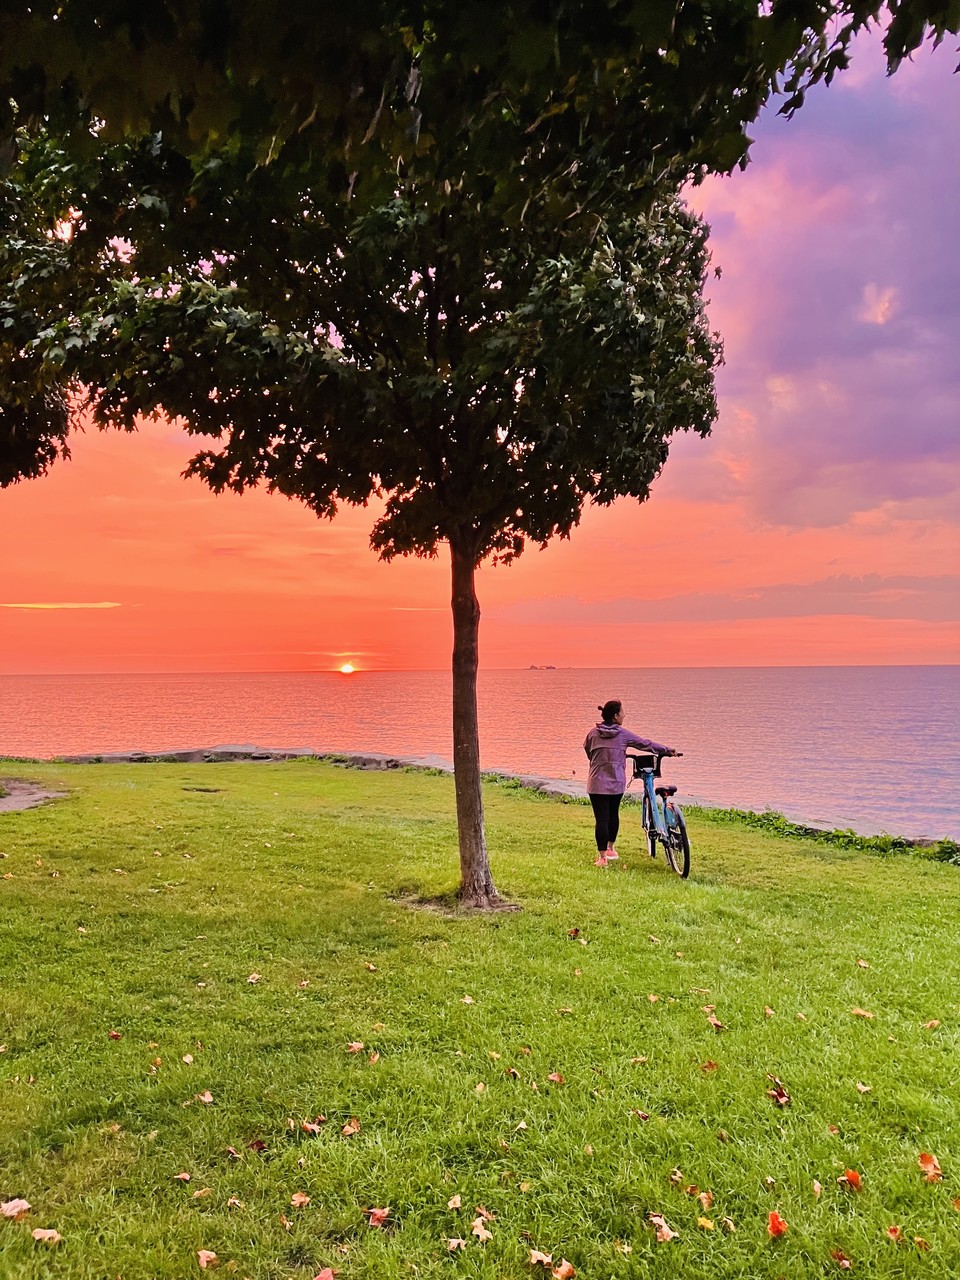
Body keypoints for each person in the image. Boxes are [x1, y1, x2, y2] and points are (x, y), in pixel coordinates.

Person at [584, 700, 676, 867]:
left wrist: (600, 761)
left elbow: (588, 750)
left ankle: (602, 858)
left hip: (596, 782)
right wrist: (667, 750)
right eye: (622, 712)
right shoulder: (623, 734)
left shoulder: (592, 733)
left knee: (601, 819)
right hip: (616, 782)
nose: (624, 715)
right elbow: (645, 744)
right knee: (613, 815)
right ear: (615, 716)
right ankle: (611, 848)